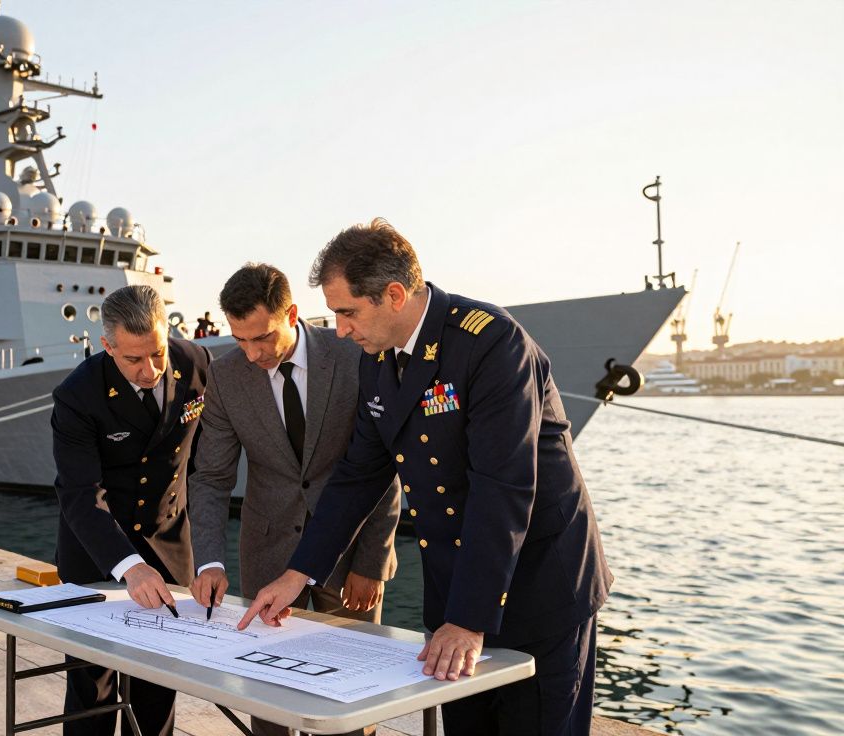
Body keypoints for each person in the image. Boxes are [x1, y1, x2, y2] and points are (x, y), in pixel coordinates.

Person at [241, 219, 611, 736]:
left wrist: (469, 618)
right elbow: (358, 476)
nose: (340, 329)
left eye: (348, 312)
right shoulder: (377, 359)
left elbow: (501, 488)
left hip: (536, 586)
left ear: (394, 295)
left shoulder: (490, 343)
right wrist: (298, 574)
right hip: (458, 588)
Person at [188, 263, 400, 736]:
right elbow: (211, 477)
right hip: (268, 553)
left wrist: (372, 561)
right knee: (268, 703)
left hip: (351, 557)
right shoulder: (225, 375)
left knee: (351, 698)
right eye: (240, 340)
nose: (252, 353)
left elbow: (385, 464)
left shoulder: (353, 354)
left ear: (291, 314)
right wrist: (209, 562)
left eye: (262, 337)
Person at [51, 284, 212, 736]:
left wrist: (208, 554)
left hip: (169, 543)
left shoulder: (196, 362)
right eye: (134, 359)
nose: (150, 370)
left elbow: (204, 466)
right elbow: (80, 492)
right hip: (97, 553)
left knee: (157, 685)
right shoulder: (77, 395)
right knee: (93, 689)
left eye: (158, 353)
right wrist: (129, 566)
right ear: (107, 346)